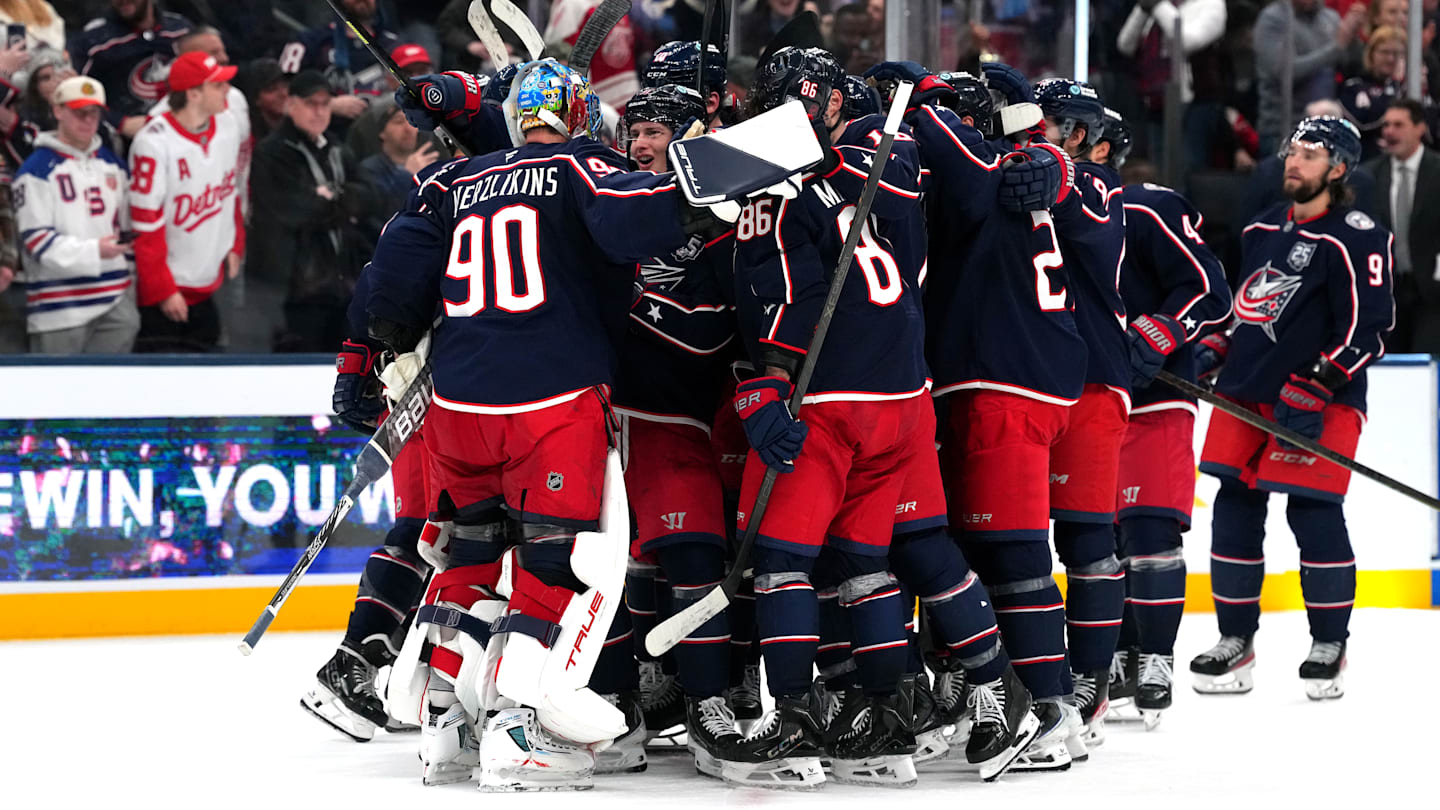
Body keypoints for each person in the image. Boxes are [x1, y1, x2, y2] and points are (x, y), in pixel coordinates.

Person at [363, 58, 707, 790]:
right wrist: (709, 177)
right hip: (549, 402)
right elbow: (639, 219)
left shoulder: (453, 181)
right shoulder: (583, 167)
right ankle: (521, 726)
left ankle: (446, 726)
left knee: (471, 556)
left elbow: (391, 282)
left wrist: (374, 350)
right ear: (581, 114)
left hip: (457, 408)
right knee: (558, 565)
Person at [720, 46, 931, 789]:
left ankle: (797, 724)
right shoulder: (874, 175)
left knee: (782, 567)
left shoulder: (768, 185)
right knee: (865, 567)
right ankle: (884, 725)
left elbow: (781, 291)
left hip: (828, 397)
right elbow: (916, 272)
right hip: (903, 396)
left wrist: (767, 383)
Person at [861, 58, 1061, 781]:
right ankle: (925, 691)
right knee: (897, 551)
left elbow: (996, 180)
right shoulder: (974, 161)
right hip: (937, 376)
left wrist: (919, 104)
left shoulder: (972, 159)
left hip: (966, 379)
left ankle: (1038, 698)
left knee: (984, 550)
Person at [1190, 115, 1392, 702]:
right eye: (1292, 151)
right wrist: (1213, 347)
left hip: (1318, 398)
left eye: (1310, 153)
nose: (1294, 162)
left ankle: (1329, 641)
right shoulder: (1260, 228)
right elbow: (1243, 312)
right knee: (1233, 507)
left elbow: (1371, 328)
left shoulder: (1357, 234)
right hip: (1246, 392)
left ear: (1339, 168)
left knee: (1313, 512)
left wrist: (1324, 378)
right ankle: (1236, 639)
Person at [611, 82, 747, 777]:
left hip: (679, 420)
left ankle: (706, 702)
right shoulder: (606, 199)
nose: (640, 141)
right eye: (634, 128)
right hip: (606, 419)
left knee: (695, 558)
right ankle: (615, 701)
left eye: (657, 129)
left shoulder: (726, 221)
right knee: (594, 568)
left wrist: (622, 304)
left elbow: (708, 334)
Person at [1102, 109, 1232, 729]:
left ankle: (1154, 656)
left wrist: (1167, 327)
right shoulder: (1041, 215)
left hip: (1155, 398)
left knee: (1149, 532)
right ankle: (1117, 658)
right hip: (1085, 400)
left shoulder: (1146, 206)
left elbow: (1211, 286)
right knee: (1098, 539)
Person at [1017, 77, 1131, 761]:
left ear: (1082, 133)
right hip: (1029, 377)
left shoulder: (1095, 183)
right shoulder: (1023, 170)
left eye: (1049, 123)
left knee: (1087, 538)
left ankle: (1089, 678)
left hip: (1091, 381)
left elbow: (1074, 201)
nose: (1034, 132)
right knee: (1015, 540)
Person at [128, 50, 242, 353]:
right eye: (216, 85)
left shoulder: (228, 125)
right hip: (167, 295)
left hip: (211, 286)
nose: (226, 91)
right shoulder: (153, 142)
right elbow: (144, 225)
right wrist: (163, 290)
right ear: (193, 93)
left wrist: (235, 243)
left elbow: (231, 191)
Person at [14, 74, 134, 352]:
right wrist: (94, 251)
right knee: (54, 393)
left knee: (108, 392)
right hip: (59, 308)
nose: (88, 120)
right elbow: (35, 240)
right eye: (79, 112)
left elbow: (126, 228)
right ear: (58, 111)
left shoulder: (112, 164)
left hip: (115, 300)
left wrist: (129, 285)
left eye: (94, 113)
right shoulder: (36, 170)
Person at [249, 70, 360, 353]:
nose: (319, 111)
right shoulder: (272, 152)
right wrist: (339, 202)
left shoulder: (336, 147)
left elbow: (368, 196)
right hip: (294, 290)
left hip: (340, 284)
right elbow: (293, 211)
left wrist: (329, 198)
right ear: (291, 104)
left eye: (325, 104)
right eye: (311, 103)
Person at [1363, 99, 1440, 351]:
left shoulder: (1437, 169)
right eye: (1386, 125)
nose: (1389, 131)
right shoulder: (1369, 176)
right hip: (1387, 293)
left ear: (1419, 128)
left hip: (1432, 293)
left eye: (1398, 124)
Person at [70, 0, 193, 141]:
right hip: (129, 139)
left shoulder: (180, 28)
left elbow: (207, 75)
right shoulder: (93, 40)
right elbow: (78, 92)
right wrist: (121, 123)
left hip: (187, 129)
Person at [1253, 0, 1365, 152]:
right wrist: (1336, 47)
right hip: (1283, 130)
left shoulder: (1329, 18)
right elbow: (1284, 73)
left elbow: (1349, 63)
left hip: (1326, 128)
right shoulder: (1274, 19)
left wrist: (1353, 37)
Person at [277, 0, 400, 129]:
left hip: (383, 136)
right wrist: (327, 104)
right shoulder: (307, 42)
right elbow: (280, 96)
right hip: (325, 136)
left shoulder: (395, 45)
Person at [1339, 26, 1409, 162]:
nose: (1390, 59)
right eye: (1384, 52)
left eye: (1397, 53)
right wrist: (1395, 87)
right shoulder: (1354, 86)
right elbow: (1363, 123)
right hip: (1367, 159)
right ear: (1371, 54)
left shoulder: (1407, 88)